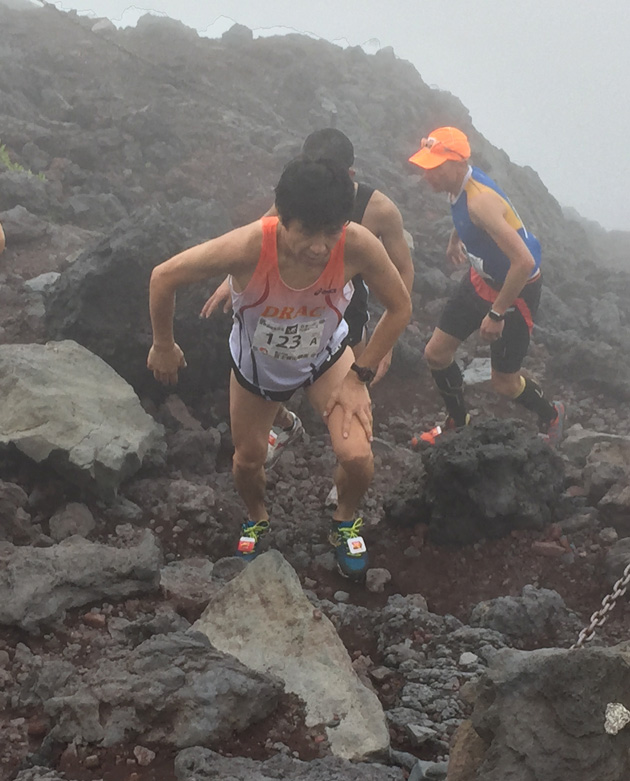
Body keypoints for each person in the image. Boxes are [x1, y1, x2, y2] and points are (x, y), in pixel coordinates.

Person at [148, 157, 411, 580]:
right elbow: (163, 276)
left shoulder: (358, 244)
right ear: (281, 218)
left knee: (359, 456)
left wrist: (359, 375)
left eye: (332, 231)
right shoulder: (249, 246)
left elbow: (400, 307)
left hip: (326, 359)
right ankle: (257, 517)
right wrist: (163, 343)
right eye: (306, 230)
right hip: (259, 369)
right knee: (249, 461)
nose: (320, 248)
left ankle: (344, 520)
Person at [200, 129, 414, 472]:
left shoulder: (380, 211)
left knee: (353, 395)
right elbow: (260, 236)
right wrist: (231, 280)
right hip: (285, 297)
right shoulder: (301, 196)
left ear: (349, 176)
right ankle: (285, 425)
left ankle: (346, 475)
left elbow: (403, 270)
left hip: (344, 299)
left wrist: (384, 347)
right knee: (270, 370)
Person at [407, 126, 564, 446]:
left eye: (433, 169)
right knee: (436, 354)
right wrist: (456, 239)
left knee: (504, 383)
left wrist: (496, 314)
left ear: (455, 163)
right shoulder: (458, 184)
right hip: (481, 279)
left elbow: (523, 263)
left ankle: (552, 414)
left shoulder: (481, 201)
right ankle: (458, 422)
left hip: (515, 290)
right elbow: (462, 212)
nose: (427, 177)